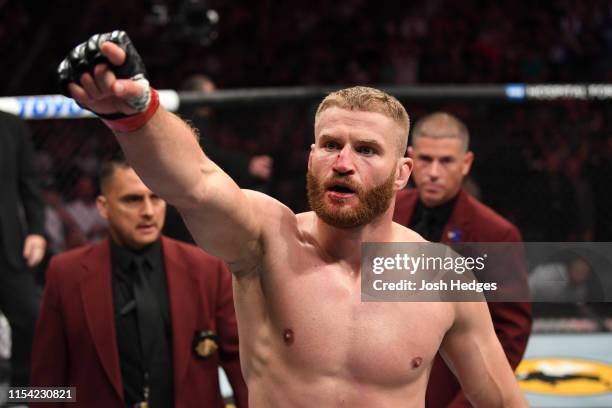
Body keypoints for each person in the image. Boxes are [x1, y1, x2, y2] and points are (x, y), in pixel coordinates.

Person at [57, 31, 527, 407]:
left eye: (365, 150)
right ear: (310, 157)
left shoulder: (441, 276)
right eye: (329, 145)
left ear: (402, 171)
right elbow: (194, 183)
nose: (343, 162)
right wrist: (138, 112)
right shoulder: (266, 238)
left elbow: (502, 401)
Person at [31, 155, 248, 408]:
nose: (147, 211)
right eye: (132, 200)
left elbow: (241, 366)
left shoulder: (206, 268)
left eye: (155, 198)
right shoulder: (65, 274)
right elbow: (46, 381)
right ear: (103, 207)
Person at [393, 112, 532, 407]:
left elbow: (511, 334)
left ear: (466, 163)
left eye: (445, 161)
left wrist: (466, 404)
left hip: (449, 391)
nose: (433, 172)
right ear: (410, 159)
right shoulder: (386, 212)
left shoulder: (496, 234)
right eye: (426, 159)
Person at [0, 111, 45, 388]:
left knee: (32, 317)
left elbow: (30, 184)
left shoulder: (11, 126)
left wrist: (37, 232)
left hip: (7, 245)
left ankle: (22, 394)